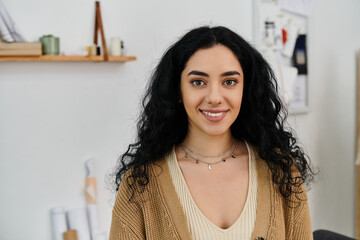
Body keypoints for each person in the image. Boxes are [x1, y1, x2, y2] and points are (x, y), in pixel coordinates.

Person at [109, 26, 315, 240]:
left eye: (229, 82)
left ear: (246, 89)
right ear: (178, 90)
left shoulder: (281, 170)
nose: (215, 97)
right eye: (198, 82)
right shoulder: (141, 183)